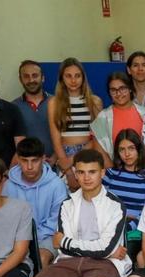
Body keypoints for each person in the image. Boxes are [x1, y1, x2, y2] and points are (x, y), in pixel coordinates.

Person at [18, 149, 130, 277]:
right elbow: (66, 249)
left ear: (102, 173)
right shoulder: (67, 204)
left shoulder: (115, 205)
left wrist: (68, 242)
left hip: (104, 263)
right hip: (69, 262)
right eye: (81, 172)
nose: (86, 177)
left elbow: (100, 248)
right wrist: (101, 248)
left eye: (92, 172)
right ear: (75, 174)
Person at [2, 137, 68, 268]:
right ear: (18, 160)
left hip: (47, 236)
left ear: (43, 159)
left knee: (41, 257)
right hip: (15, 238)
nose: (29, 167)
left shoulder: (56, 185)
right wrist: (21, 241)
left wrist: (31, 241)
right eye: (24, 161)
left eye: (34, 161)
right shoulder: (9, 186)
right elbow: (4, 219)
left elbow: (56, 221)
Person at [48, 58, 102, 189]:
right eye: (68, 76)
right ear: (62, 78)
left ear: (83, 78)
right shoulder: (54, 103)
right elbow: (55, 139)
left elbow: (99, 136)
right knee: (66, 199)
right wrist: (67, 170)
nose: (73, 80)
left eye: (77, 76)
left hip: (88, 151)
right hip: (64, 155)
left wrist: (76, 157)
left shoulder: (94, 101)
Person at [101, 129, 145, 240]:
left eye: (131, 148)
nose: (127, 154)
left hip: (139, 231)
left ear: (139, 149)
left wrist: (126, 227)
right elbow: (101, 205)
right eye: (122, 150)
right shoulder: (110, 174)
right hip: (109, 228)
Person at [90, 72, 145, 168]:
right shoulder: (103, 117)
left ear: (130, 88)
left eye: (122, 88)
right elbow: (99, 151)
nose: (118, 93)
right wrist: (115, 174)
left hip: (143, 170)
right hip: (115, 172)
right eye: (113, 90)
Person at [12, 60, 53, 159]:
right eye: (26, 76)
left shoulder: (57, 102)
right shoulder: (13, 107)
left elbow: (64, 135)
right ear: (20, 80)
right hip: (27, 167)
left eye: (35, 75)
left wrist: (54, 158)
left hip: (56, 165)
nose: (31, 80)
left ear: (42, 78)